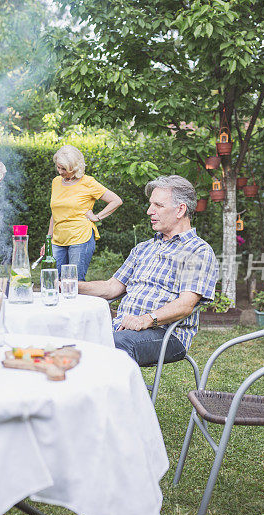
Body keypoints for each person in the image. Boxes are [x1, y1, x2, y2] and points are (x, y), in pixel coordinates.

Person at [78, 175, 218, 367]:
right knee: (69, 338)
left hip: (167, 333)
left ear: (180, 210)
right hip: (123, 327)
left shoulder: (198, 251)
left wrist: (146, 319)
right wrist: (69, 286)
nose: (149, 211)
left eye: (158, 205)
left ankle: (118, 396)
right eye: (151, 204)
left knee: (115, 346)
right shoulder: (144, 248)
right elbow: (111, 288)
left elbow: (186, 305)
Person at [43, 145, 122, 281]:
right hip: (58, 239)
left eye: (64, 169)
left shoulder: (88, 183)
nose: (60, 172)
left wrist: (97, 217)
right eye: (58, 167)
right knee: (52, 280)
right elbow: (55, 213)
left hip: (80, 238)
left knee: (74, 282)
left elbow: (116, 200)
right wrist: (48, 240)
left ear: (74, 167)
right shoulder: (56, 182)